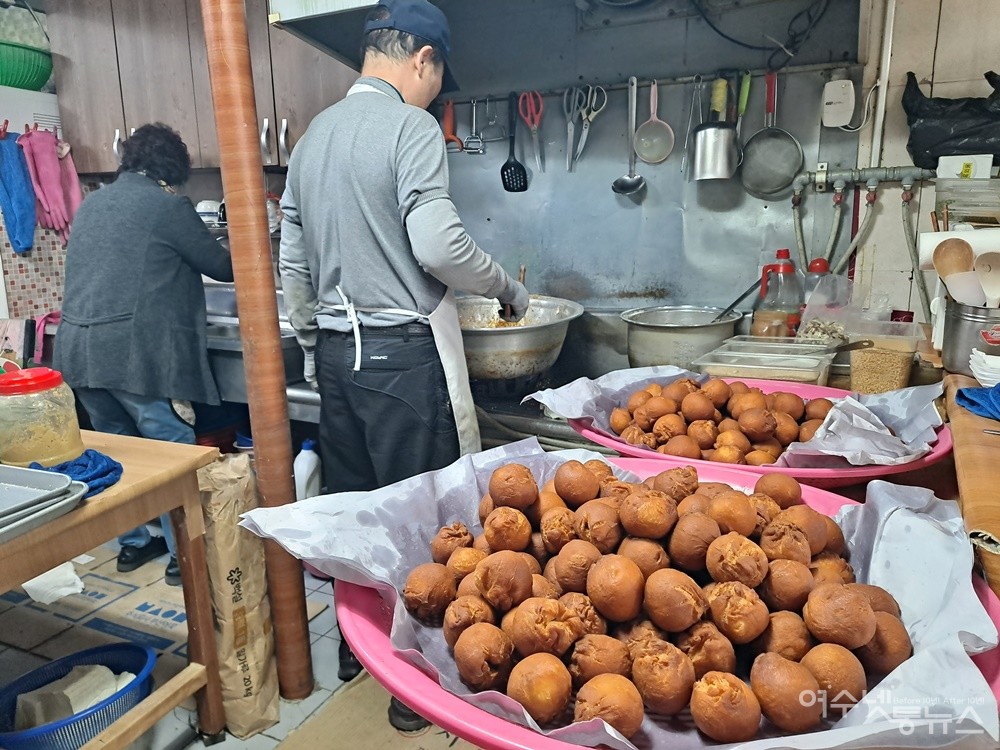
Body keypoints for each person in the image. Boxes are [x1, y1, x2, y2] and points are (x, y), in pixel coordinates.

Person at [278, 0, 528, 731]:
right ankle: (411, 686)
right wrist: (508, 287)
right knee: (427, 524)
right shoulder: (411, 127)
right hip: (399, 361)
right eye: (438, 77)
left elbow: (292, 258)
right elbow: (439, 245)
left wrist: (311, 332)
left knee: (359, 514)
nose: (435, 93)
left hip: (335, 357)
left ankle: (361, 654)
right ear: (422, 58)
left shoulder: (313, 137)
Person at [55, 123, 233, 586]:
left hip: (78, 352)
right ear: (174, 168)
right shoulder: (168, 205)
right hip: (133, 357)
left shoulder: (93, 204)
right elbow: (223, 265)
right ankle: (181, 555)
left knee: (119, 452)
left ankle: (134, 545)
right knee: (166, 451)